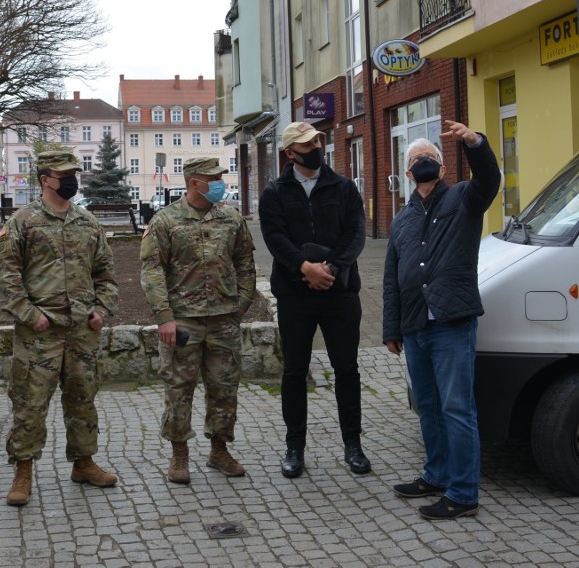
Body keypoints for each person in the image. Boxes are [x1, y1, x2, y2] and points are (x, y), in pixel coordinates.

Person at [383, 120, 501, 520]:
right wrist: (391, 328)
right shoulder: (402, 219)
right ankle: (436, 475)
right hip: (415, 326)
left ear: (444, 168)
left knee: (457, 409)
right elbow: (390, 278)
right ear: (408, 173)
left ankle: (464, 493)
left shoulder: (466, 198)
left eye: (430, 157)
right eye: (417, 160)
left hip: (452, 323)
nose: (424, 163)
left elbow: (489, 177)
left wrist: (474, 143)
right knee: (429, 407)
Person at [0, 151, 119, 506]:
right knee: (30, 403)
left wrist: (101, 309)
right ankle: (22, 472)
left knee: (83, 399)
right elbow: (5, 275)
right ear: (45, 178)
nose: (71, 180)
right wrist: (29, 314)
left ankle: (84, 462)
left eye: (73, 174)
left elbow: (106, 273)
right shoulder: (23, 221)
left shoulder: (86, 223)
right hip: (39, 331)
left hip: (81, 328)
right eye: (64, 174)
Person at [258, 121, 369, 479]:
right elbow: (275, 238)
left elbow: (355, 234)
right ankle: (294, 447)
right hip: (295, 295)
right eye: (307, 144)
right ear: (290, 153)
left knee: (347, 370)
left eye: (318, 141)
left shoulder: (343, 186)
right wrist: (305, 268)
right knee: (293, 371)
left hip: (340, 292)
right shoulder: (274, 192)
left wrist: (332, 269)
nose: (316, 147)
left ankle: (353, 445)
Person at [140, 157, 256, 484]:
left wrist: (241, 305)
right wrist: (164, 318)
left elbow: (246, 264)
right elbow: (151, 273)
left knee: (224, 388)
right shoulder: (165, 221)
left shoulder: (231, 219)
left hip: (224, 320)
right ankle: (179, 455)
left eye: (221, 177)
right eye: (214, 178)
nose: (221, 182)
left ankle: (219, 450)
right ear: (194, 183)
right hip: (183, 322)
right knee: (179, 388)